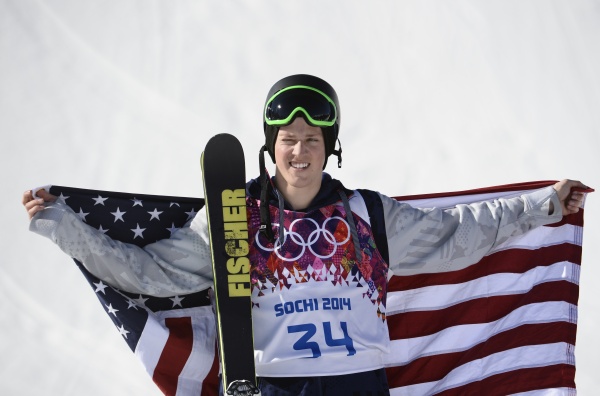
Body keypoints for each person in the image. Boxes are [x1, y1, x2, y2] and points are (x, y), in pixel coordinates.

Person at [23, 74, 588, 395]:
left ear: (329, 148)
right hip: (275, 388)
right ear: (270, 148)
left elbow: (458, 236)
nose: (300, 150)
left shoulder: (370, 216)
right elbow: (147, 274)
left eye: (312, 139)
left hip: (357, 385)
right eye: (288, 139)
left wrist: (543, 205)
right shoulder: (234, 216)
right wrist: (65, 227)